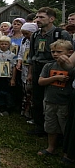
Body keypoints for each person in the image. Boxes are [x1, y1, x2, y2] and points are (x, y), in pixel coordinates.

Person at [28, 7, 72, 136]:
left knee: (54, 98)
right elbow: (31, 55)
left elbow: (70, 53)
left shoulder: (60, 34)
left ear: (51, 19)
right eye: (36, 17)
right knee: (37, 98)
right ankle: (40, 127)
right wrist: (30, 72)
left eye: (41, 17)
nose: (37, 20)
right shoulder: (35, 35)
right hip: (38, 67)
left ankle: (59, 131)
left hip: (56, 68)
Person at [36, 39, 75, 157]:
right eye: (53, 52)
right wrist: (55, 78)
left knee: (65, 126)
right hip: (50, 100)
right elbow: (41, 81)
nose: (55, 54)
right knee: (50, 125)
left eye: (59, 51)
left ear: (70, 52)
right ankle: (51, 148)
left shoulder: (72, 68)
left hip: (65, 102)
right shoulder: (49, 66)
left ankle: (67, 152)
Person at [16, 22, 39, 119]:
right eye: (24, 34)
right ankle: (25, 111)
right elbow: (21, 53)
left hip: (32, 68)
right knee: (25, 90)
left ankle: (32, 113)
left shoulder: (36, 41)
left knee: (31, 91)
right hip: (24, 67)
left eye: (27, 34)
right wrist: (19, 62)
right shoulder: (24, 41)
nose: (25, 36)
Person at [0, 36, 17, 117]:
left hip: (7, 76)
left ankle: (7, 108)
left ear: (9, 45)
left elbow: (14, 67)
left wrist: (13, 79)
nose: (3, 45)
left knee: (8, 92)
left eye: (5, 44)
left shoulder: (12, 55)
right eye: (2, 44)